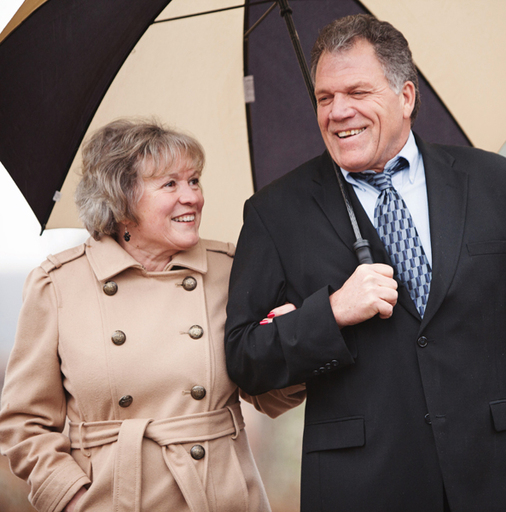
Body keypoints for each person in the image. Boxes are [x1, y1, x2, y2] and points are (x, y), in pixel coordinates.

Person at [225, 14, 506, 512]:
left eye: (357, 93)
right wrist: (332, 312)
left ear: (406, 97)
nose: (338, 112)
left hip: (498, 474)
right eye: (324, 98)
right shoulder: (275, 212)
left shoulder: (496, 184)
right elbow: (244, 357)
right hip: (361, 487)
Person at [0, 119, 305, 512]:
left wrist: (293, 340)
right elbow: (24, 423)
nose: (192, 197)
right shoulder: (57, 285)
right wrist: (70, 495)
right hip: (112, 501)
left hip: (222, 498)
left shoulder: (231, 270)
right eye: (170, 184)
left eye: (194, 180)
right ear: (122, 200)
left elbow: (269, 398)